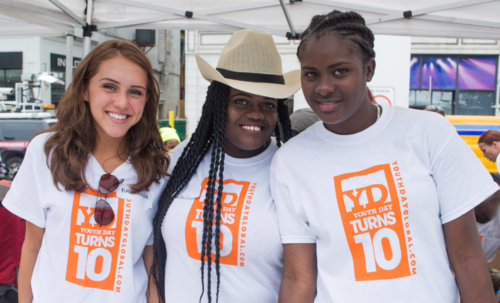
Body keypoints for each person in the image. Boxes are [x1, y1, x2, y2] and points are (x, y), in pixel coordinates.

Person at [270, 10, 499, 303]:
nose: (324, 87)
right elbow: (298, 277)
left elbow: (467, 257)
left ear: (368, 70)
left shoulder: (428, 132)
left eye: (340, 71)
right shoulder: (291, 161)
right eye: (311, 74)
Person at [3, 40, 169, 303]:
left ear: (147, 100)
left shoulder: (157, 169)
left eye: (135, 92)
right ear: (84, 89)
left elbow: (152, 261)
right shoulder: (46, 152)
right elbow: (32, 245)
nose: (122, 102)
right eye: (109, 87)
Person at [151, 29, 300, 303]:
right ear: (218, 104)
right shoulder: (182, 160)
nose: (256, 113)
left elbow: (300, 277)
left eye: (268, 104)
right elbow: (154, 252)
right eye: (241, 101)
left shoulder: (290, 171)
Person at [475, 174, 500, 302]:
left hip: (483, 270)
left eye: (498, 200)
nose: (495, 206)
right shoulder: (459, 219)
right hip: (453, 271)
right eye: (491, 200)